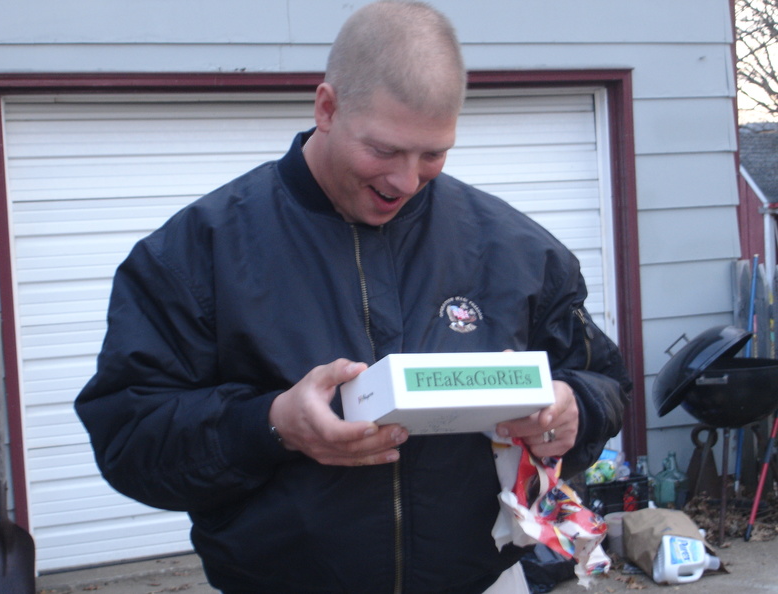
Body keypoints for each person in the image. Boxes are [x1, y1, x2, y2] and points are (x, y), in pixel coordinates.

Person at [75, 2, 632, 592]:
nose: (407, 180)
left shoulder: (517, 250)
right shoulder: (196, 253)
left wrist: (574, 407)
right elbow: (129, 437)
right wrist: (269, 426)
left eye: (434, 154)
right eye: (385, 151)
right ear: (327, 108)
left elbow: (603, 381)